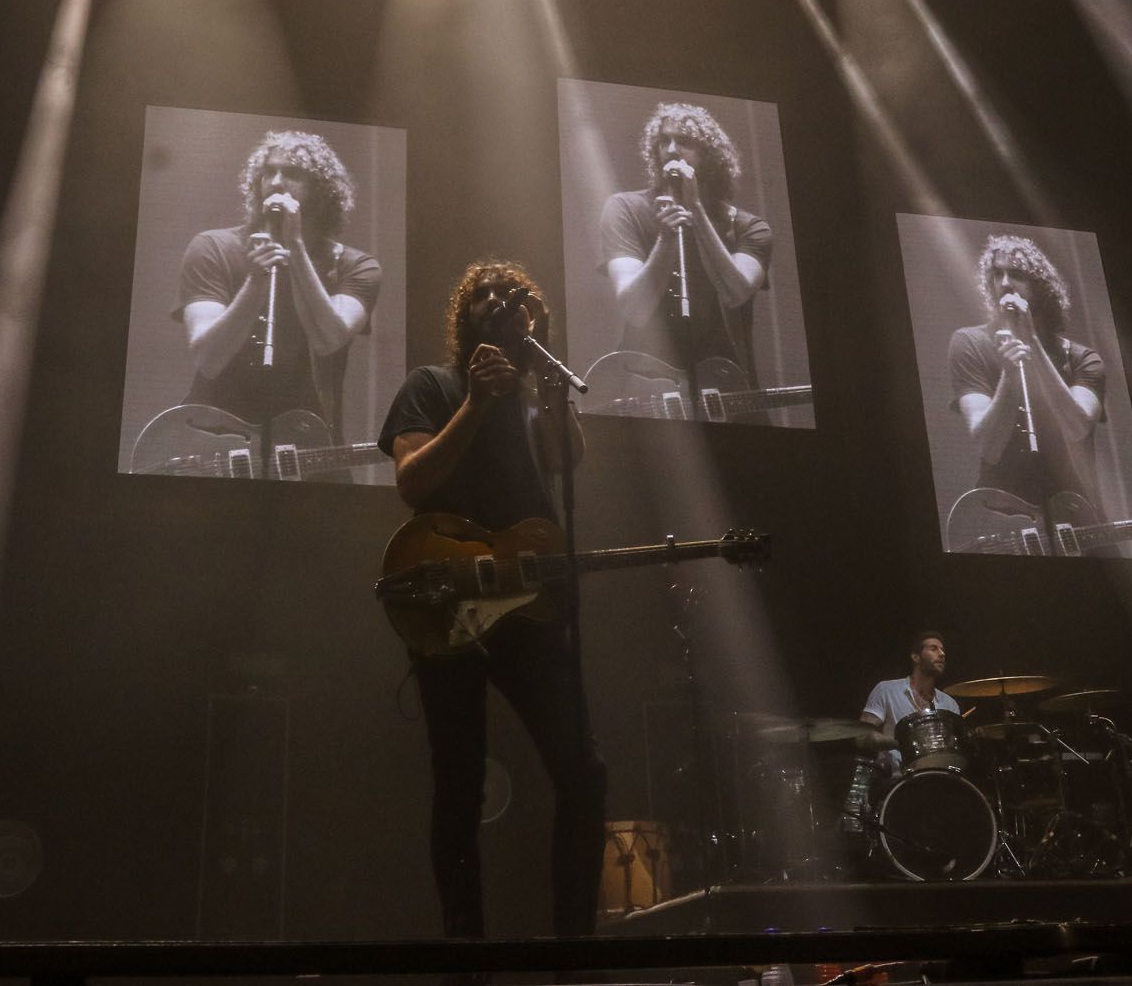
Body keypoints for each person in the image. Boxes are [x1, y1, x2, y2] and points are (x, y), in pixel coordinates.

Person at [378, 261, 605, 938]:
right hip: (449, 606)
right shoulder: (433, 385)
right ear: (462, 314)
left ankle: (574, 946)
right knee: (459, 788)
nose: (498, 301)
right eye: (482, 292)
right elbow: (413, 483)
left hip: (528, 605)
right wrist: (474, 403)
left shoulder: (538, 397)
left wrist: (548, 388)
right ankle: (464, 950)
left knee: (584, 772)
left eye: (512, 295)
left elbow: (566, 462)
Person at [175, 130, 381, 438]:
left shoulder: (356, 266)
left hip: (305, 440)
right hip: (213, 439)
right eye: (269, 172)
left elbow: (328, 339)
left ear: (322, 190)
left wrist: (294, 245)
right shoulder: (212, 247)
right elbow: (208, 358)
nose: (276, 182)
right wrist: (254, 282)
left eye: (293, 173)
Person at [599, 102, 772, 380]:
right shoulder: (625, 208)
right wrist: (666, 239)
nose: (671, 150)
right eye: (663, 140)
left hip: (723, 383)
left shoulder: (748, 227)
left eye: (685, 142)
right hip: (645, 383)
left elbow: (736, 292)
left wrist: (696, 210)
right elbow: (634, 307)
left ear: (710, 155)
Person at [949, 234, 1106, 518]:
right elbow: (988, 445)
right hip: (1000, 518)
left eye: (1017, 274)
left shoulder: (1083, 359)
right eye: (998, 274)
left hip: (1073, 516)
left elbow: (1077, 428)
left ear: (1041, 287)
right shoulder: (968, 343)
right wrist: (1010, 374)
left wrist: (1030, 340)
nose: (1005, 283)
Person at [859, 631, 958, 774]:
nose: (942, 654)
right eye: (933, 648)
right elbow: (862, 737)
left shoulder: (950, 704)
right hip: (897, 780)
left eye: (943, 650)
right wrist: (902, 744)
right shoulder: (886, 690)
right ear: (915, 657)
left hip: (940, 777)